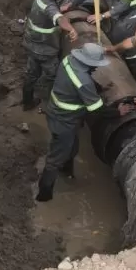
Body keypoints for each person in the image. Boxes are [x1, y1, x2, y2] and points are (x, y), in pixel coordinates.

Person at [37, 43, 109, 202]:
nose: (96, 68)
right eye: (95, 65)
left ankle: (65, 170)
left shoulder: (68, 60)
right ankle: (44, 194)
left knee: (72, 147)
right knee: (56, 157)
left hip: (59, 112)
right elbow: (96, 109)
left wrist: (98, 87)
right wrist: (118, 111)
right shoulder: (83, 81)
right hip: (64, 121)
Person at [23, 0, 78, 110]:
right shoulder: (49, 6)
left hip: (32, 44)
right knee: (53, 76)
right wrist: (71, 29)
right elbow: (59, 19)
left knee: (31, 74)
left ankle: (27, 102)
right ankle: (51, 106)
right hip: (45, 49)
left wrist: (59, 9)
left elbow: (52, 12)